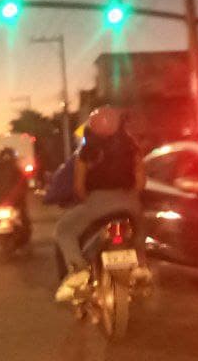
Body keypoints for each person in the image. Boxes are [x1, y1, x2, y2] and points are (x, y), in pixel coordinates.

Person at [54, 106, 150, 303]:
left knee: (63, 230)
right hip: (129, 203)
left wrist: (86, 201)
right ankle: (141, 265)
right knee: (139, 228)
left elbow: (79, 187)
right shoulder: (133, 148)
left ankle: (79, 270)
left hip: (96, 204)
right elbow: (141, 182)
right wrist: (130, 197)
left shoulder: (86, 152)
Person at [0, 147, 32, 244]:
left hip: (12, 203)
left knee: (24, 219)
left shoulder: (15, 171)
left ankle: (23, 242)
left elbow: (24, 185)